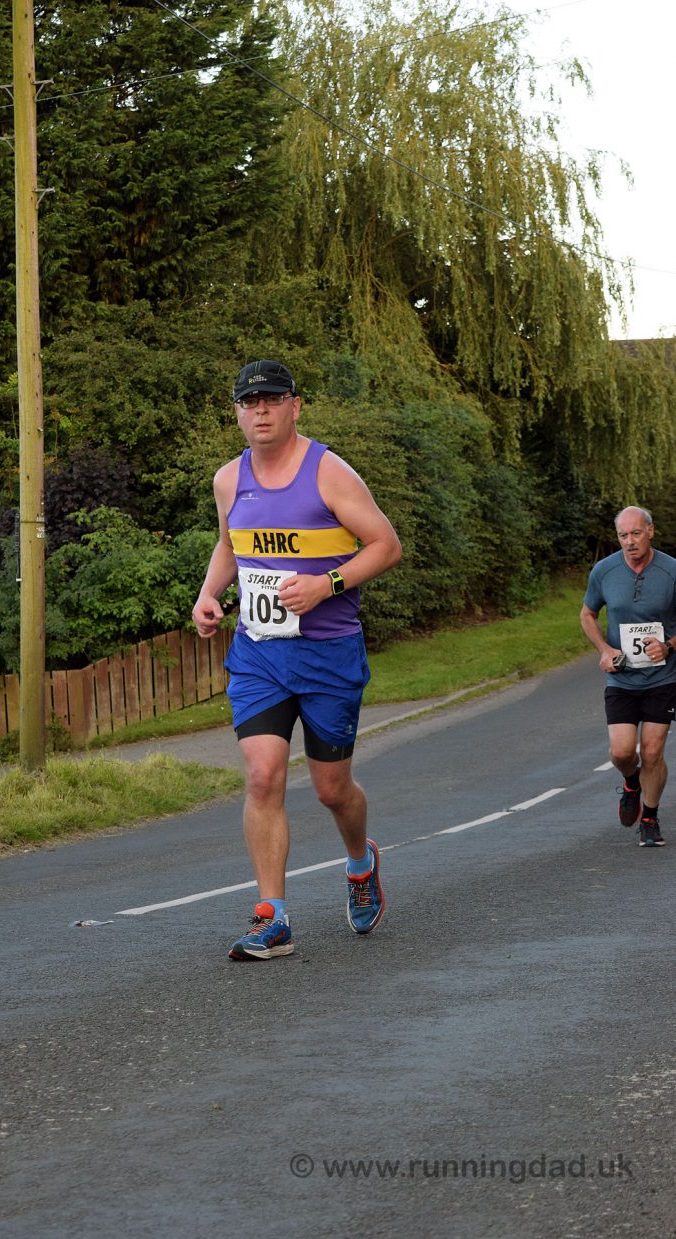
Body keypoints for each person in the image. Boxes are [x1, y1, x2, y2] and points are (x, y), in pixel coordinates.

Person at [192, 359, 403, 960]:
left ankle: (361, 863)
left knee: (332, 790)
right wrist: (210, 594)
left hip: (328, 654)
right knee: (262, 776)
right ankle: (272, 917)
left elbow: (386, 544)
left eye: (271, 400)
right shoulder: (228, 480)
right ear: (236, 411)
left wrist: (327, 585)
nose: (259, 411)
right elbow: (231, 544)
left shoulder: (328, 472)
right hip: (259, 653)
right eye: (248, 402)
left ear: (295, 406)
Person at [580, 505, 676, 847]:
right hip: (621, 679)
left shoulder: (671, 571)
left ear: (650, 531)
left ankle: (649, 818)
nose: (630, 542)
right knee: (622, 753)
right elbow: (588, 614)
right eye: (623, 536)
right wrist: (605, 650)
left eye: (636, 533)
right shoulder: (604, 571)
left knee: (652, 751)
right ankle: (631, 783)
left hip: (662, 679)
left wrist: (668, 645)